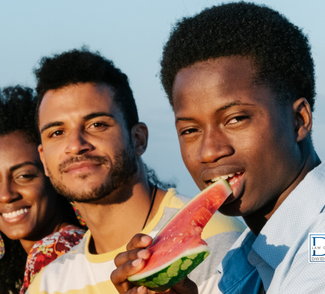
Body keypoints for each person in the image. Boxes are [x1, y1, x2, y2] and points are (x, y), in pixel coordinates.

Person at [111, 2, 325, 293]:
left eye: (235, 119)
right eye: (190, 130)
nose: (208, 152)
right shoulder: (244, 259)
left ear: (299, 120)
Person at [26, 48, 245, 294]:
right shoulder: (47, 284)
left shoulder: (217, 241)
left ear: (138, 139)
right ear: (44, 159)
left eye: (97, 125)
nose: (76, 144)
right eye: (57, 132)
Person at [0, 86, 86, 294]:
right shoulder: (75, 243)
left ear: (52, 173)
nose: (5, 194)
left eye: (23, 176)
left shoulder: (54, 250)